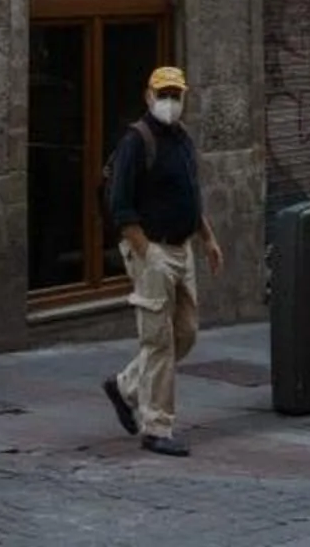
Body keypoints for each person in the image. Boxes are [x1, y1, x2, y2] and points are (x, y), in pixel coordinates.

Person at [98, 67, 223, 457]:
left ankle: (125, 387)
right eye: (164, 93)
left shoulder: (182, 138)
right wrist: (146, 253)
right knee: (158, 341)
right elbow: (120, 206)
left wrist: (208, 237)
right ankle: (157, 428)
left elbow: (189, 193)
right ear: (149, 96)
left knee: (185, 333)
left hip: (183, 249)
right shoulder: (138, 141)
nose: (170, 101)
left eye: (176, 93)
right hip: (153, 250)